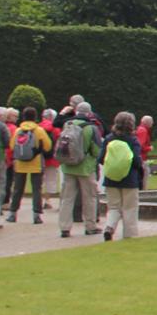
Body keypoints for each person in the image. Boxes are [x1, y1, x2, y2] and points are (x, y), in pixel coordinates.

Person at [57, 101, 103, 238]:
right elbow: (96, 150)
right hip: (85, 168)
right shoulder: (91, 128)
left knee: (67, 198)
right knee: (89, 198)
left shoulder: (67, 124)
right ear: (89, 113)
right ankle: (90, 226)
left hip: (68, 166)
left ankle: (64, 228)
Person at [97, 112, 146, 240]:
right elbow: (136, 161)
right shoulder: (133, 140)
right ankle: (130, 235)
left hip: (111, 179)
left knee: (113, 207)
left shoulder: (109, 139)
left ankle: (109, 227)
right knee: (130, 208)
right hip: (130, 180)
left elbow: (101, 159)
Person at [6, 108, 52, 223]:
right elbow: (48, 146)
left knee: (17, 189)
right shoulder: (39, 130)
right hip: (36, 163)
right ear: (35, 117)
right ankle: (36, 215)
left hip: (20, 163)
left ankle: (12, 214)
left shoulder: (18, 130)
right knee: (37, 189)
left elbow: (12, 146)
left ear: (23, 117)